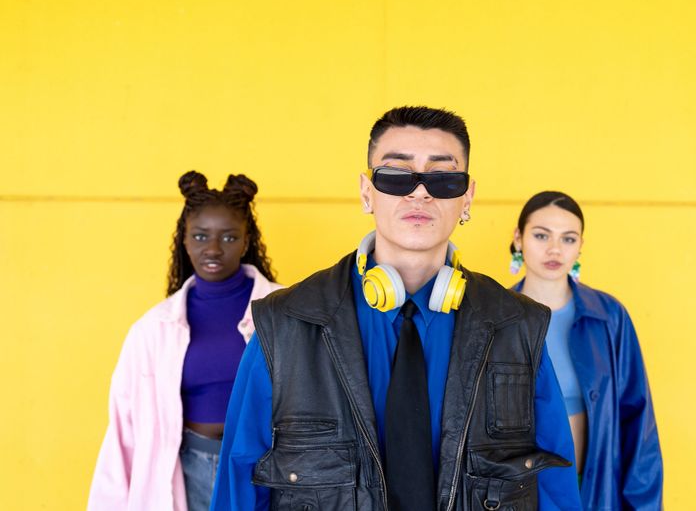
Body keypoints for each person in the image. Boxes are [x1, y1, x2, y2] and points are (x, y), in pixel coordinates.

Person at [211, 106, 582, 511]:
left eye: (443, 178)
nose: (419, 192)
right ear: (367, 192)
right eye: (396, 175)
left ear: (467, 197)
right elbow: (239, 485)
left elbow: (555, 488)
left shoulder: (520, 327)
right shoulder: (282, 325)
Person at [88, 171, 283, 511]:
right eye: (200, 236)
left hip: (265, 464)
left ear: (246, 240)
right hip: (187, 466)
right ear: (184, 239)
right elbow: (124, 431)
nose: (212, 249)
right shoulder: (153, 328)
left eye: (228, 238)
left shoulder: (286, 312)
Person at [509, 191, 663, 510]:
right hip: (522, 495)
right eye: (541, 235)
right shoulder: (496, 318)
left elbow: (638, 420)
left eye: (568, 239)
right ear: (518, 239)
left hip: (593, 492)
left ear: (580, 246)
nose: (554, 249)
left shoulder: (608, 317)